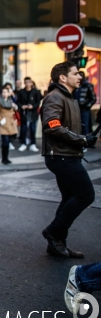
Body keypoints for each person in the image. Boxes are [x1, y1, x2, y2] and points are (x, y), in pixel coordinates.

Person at [41, 62, 96, 259]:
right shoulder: (55, 97)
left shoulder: (68, 97)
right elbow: (52, 125)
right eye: (75, 73)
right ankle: (53, 233)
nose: (80, 76)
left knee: (68, 198)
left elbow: (66, 126)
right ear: (63, 77)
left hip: (68, 154)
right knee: (85, 195)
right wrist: (81, 139)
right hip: (61, 156)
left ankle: (57, 243)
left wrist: (85, 137)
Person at [16, 77, 42, 152]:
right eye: (26, 82)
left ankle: (33, 144)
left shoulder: (36, 92)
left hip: (33, 113)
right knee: (23, 129)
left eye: (29, 82)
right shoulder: (21, 92)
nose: (27, 84)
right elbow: (18, 102)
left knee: (32, 128)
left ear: (31, 83)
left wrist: (33, 106)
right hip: (24, 113)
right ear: (24, 83)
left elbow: (38, 102)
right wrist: (22, 106)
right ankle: (23, 143)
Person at [0, 87, 18, 164]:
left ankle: (6, 158)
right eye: (3, 92)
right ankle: (4, 158)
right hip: (3, 123)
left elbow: (14, 109)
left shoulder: (10, 100)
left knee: (9, 141)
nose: (5, 94)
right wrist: (0, 120)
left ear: (8, 93)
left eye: (6, 92)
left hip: (10, 123)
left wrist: (15, 107)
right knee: (5, 142)